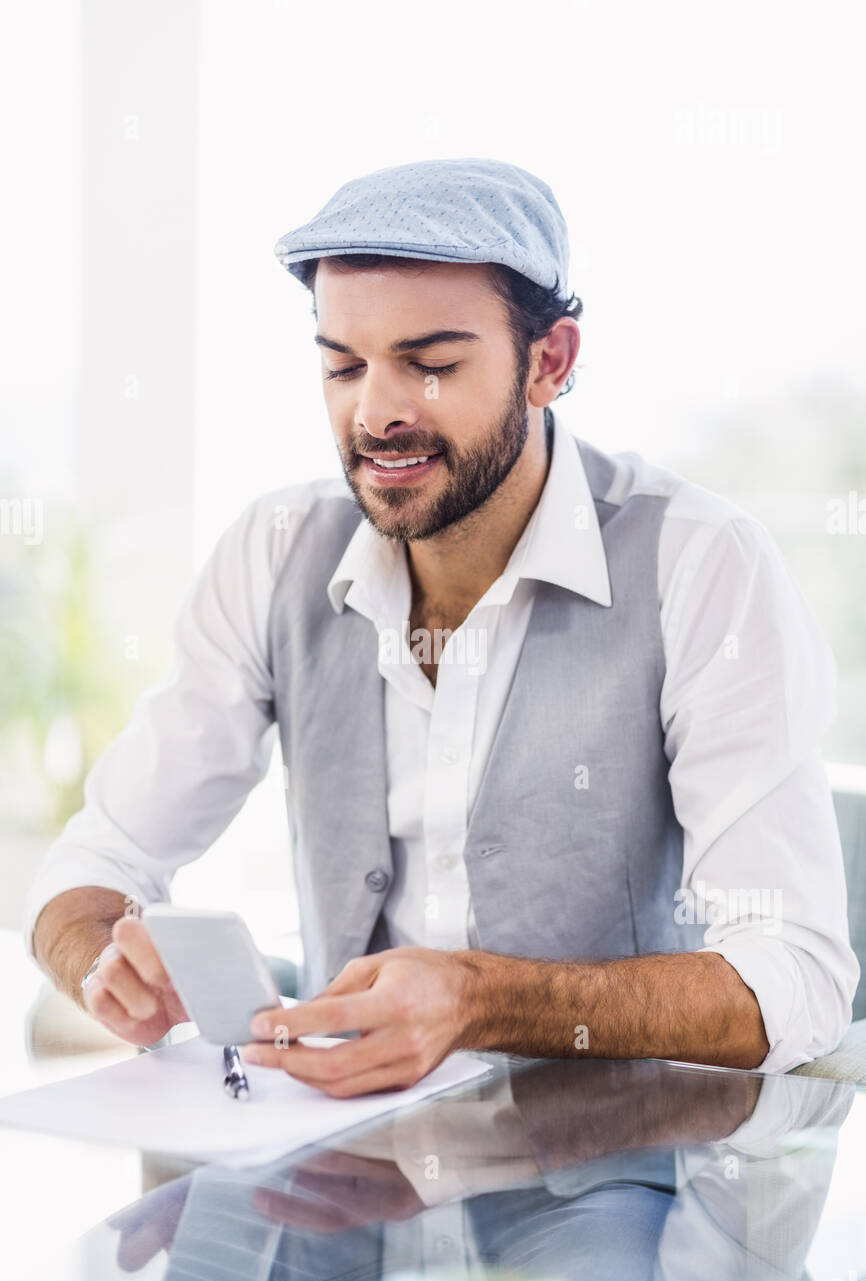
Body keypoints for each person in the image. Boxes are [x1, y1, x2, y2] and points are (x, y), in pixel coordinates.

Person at [25, 158, 858, 1096]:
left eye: (430, 366)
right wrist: (104, 957)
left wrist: (478, 998)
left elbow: (796, 982)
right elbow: (96, 861)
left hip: (622, 1187)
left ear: (551, 362)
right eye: (342, 365)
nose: (376, 412)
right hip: (341, 1182)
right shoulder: (273, 552)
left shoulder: (703, 564)